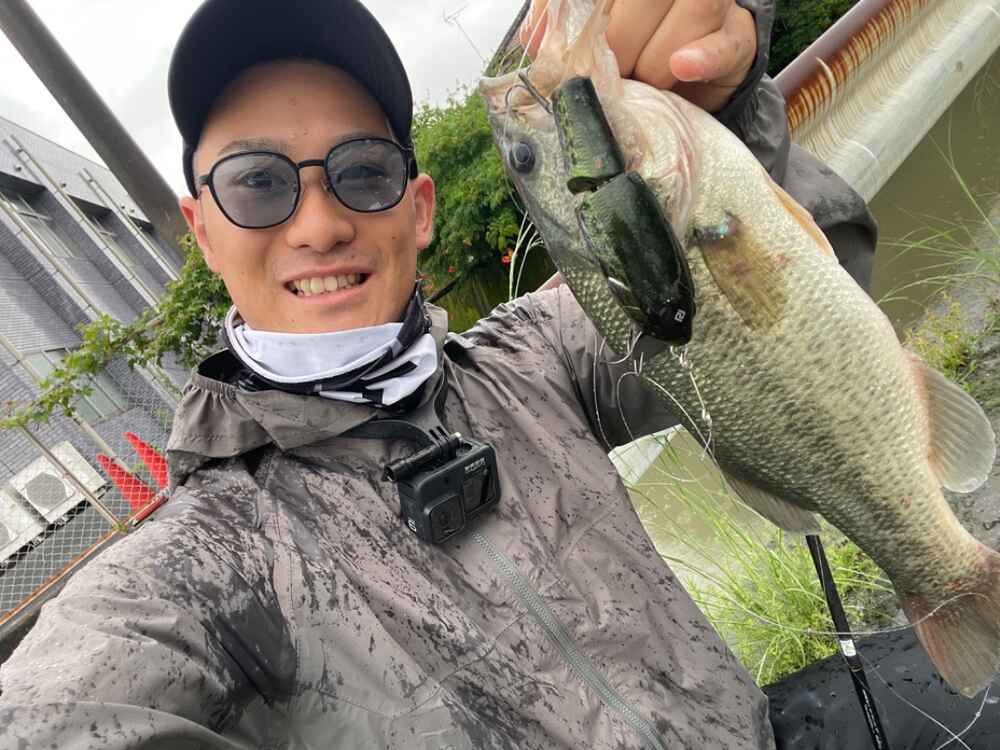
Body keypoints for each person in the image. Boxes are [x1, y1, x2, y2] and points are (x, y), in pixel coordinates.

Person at [0, 0, 876, 747]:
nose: (319, 226)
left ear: (418, 211)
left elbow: (801, 306)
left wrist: (728, 110)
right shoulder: (198, 563)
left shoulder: (534, 358)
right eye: (258, 183)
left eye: (362, 171)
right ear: (203, 234)